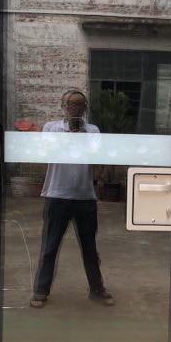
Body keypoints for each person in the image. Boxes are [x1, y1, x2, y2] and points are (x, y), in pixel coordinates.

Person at [30, 89, 114, 309]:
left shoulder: (92, 130)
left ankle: (97, 289)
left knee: (90, 248)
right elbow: (46, 151)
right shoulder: (51, 128)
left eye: (80, 104)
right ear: (62, 106)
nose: (75, 108)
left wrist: (81, 135)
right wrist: (69, 135)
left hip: (85, 197)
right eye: (71, 104)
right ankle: (41, 290)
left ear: (85, 108)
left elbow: (97, 156)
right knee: (50, 247)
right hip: (57, 195)